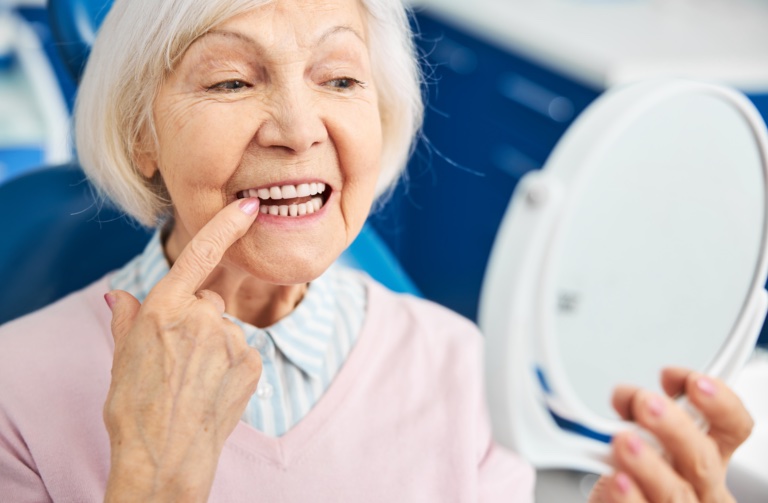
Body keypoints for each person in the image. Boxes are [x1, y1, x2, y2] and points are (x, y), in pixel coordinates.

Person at [0, 0, 753, 501]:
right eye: (231, 81)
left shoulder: (459, 366)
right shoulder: (14, 395)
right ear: (142, 137)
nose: (298, 128)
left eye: (340, 77)